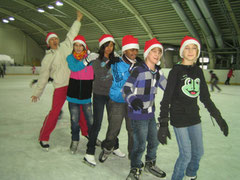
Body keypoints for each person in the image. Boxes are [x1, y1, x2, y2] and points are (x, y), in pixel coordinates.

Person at [158, 36, 229, 180]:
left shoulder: (198, 71)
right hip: (179, 118)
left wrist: (218, 117)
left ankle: (191, 174)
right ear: (183, 52)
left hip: (194, 117)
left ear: (197, 51)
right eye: (187, 48)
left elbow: (205, 98)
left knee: (198, 152)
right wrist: (163, 123)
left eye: (194, 48)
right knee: (186, 155)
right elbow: (166, 99)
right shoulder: (175, 72)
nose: (191, 51)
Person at [31, 11, 83, 151]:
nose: (54, 40)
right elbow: (43, 77)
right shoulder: (47, 58)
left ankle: (87, 133)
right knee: (54, 112)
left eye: (55, 38)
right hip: (60, 87)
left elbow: (72, 33)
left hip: (72, 84)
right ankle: (43, 137)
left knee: (81, 110)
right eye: (51, 40)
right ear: (48, 43)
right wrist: (37, 93)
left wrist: (78, 19)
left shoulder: (66, 46)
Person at [123, 38, 167, 180]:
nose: (157, 54)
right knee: (140, 144)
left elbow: (169, 87)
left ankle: (150, 163)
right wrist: (132, 99)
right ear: (147, 53)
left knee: (154, 141)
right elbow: (126, 89)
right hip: (137, 114)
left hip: (150, 114)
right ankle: (135, 167)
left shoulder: (158, 73)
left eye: (159, 52)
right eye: (154, 51)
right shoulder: (138, 70)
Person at [98, 35, 143, 163]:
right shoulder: (115, 62)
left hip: (132, 103)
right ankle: (107, 148)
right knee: (114, 129)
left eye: (136, 49)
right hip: (117, 101)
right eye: (131, 49)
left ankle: (133, 156)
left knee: (133, 131)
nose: (134, 52)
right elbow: (101, 69)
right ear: (124, 51)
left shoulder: (140, 64)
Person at [84, 34, 120, 166]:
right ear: (102, 46)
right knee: (97, 124)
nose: (109, 48)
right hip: (99, 94)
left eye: (111, 45)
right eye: (107, 45)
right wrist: (111, 62)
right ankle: (89, 151)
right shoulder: (96, 58)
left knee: (113, 122)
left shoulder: (116, 58)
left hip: (112, 95)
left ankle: (114, 146)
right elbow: (100, 73)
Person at [66, 35, 98, 154]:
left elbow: (102, 68)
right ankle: (75, 140)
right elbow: (74, 68)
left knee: (90, 121)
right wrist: (86, 61)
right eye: (76, 45)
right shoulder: (70, 58)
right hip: (73, 97)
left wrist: (110, 59)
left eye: (80, 45)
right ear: (73, 46)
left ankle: (92, 139)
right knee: (74, 121)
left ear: (84, 46)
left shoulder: (90, 59)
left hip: (86, 97)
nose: (78, 48)